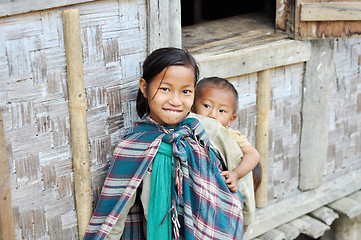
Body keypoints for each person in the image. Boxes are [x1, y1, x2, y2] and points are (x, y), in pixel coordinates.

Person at [83, 48, 245, 240]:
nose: (175, 101)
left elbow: (238, 173)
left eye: (185, 91)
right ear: (144, 87)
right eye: (165, 89)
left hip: (208, 230)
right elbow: (117, 209)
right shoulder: (134, 144)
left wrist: (245, 218)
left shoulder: (208, 129)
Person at [193, 76, 261, 231]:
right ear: (193, 106)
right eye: (206, 105)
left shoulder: (229, 134)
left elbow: (254, 155)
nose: (212, 114)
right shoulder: (190, 126)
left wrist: (236, 174)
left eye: (221, 110)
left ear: (231, 119)